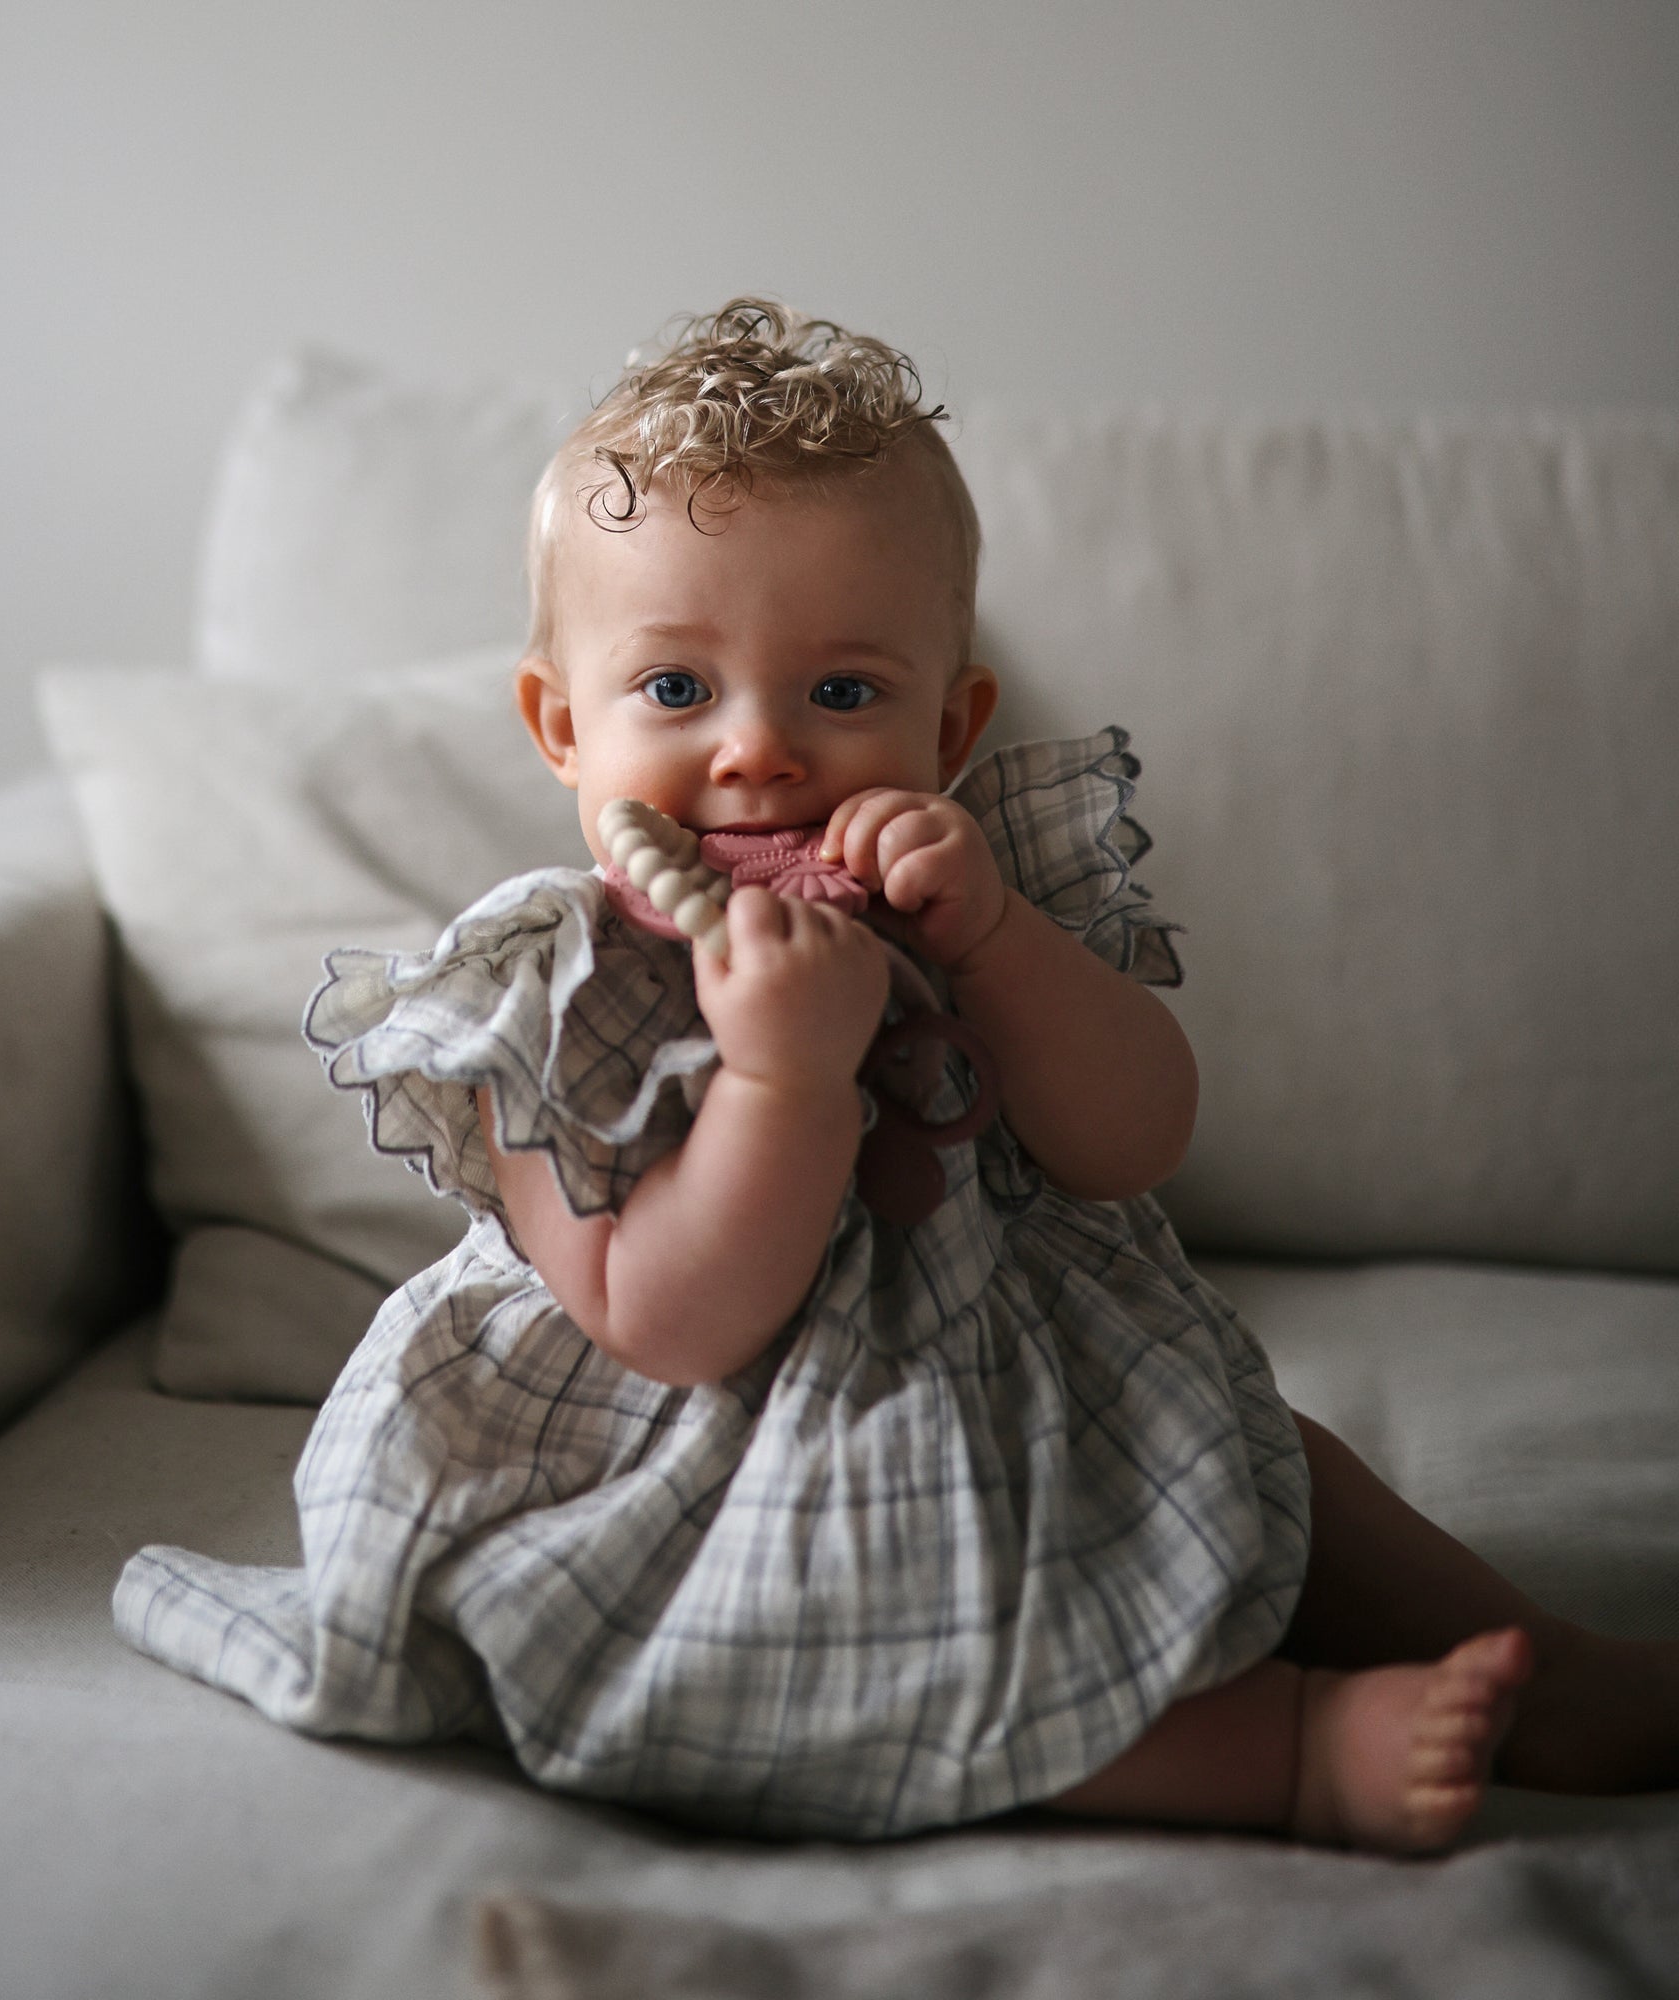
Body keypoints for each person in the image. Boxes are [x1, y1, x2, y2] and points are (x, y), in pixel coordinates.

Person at [114, 301, 1677, 1851]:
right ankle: (1290, 1754)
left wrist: (995, 940)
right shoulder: (547, 993)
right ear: (559, 727)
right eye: (675, 690)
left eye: (843, 694)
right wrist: (782, 1081)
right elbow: (667, 1319)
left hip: (1027, 1378)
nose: (759, 754)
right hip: (711, 1466)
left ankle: (1558, 1676)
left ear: (952, 722)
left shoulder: (975, 905)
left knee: (1288, 1476)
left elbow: (1133, 1140)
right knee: (892, 1637)